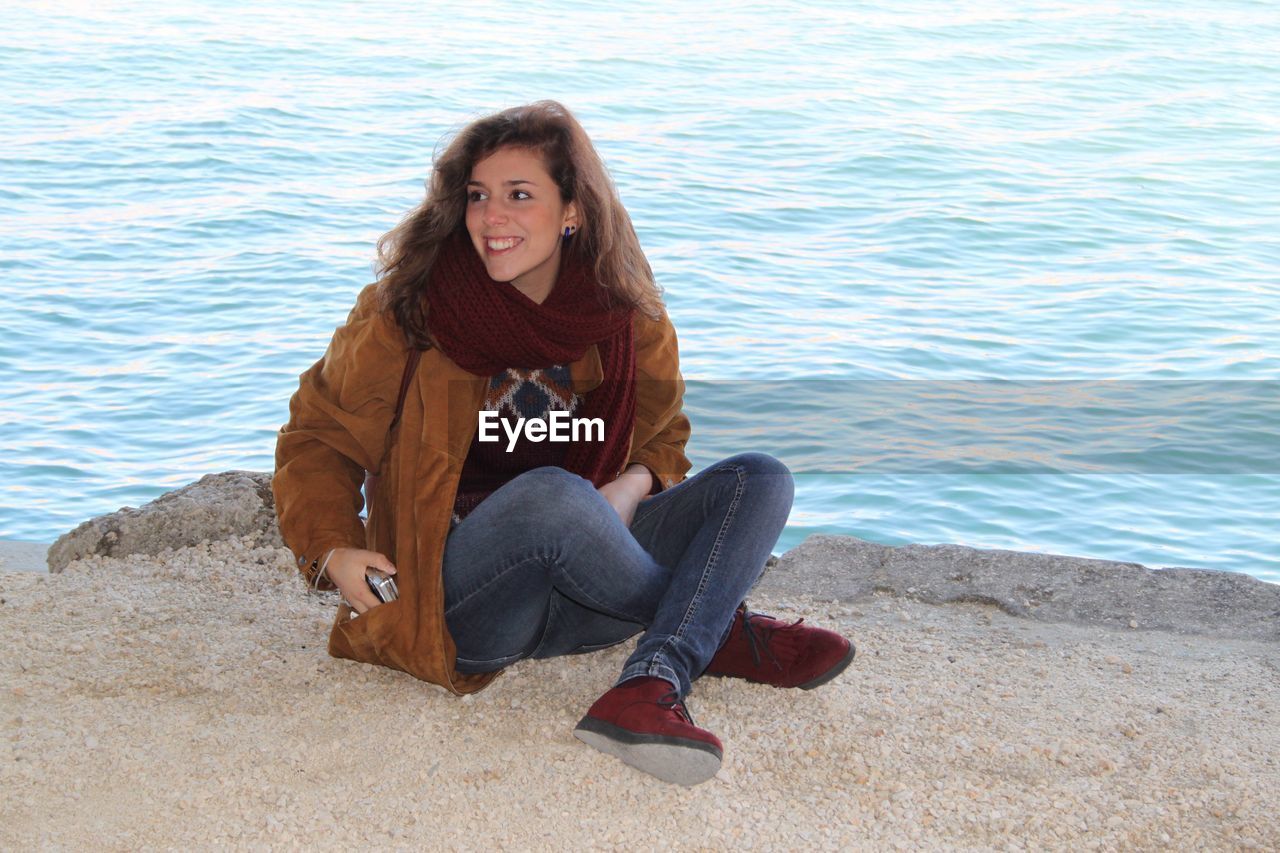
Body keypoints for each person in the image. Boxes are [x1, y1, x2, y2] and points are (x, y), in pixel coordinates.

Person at [273, 100, 855, 786]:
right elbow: (320, 433)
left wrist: (631, 485)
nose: (493, 218)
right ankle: (709, 626)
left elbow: (663, 437)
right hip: (467, 598)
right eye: (479, 196)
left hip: (594, 592)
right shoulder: (407, 311)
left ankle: (652, 676)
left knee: (760, 479)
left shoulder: (626, 313)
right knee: (553, 498)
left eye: (520, 195)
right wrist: (332, 547)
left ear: (572, 209)